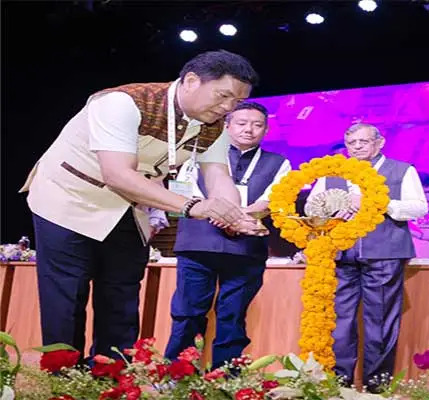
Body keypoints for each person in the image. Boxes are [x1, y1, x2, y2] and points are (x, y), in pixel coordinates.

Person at [20, 50, 262, 359]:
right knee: (67, 295)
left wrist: (234, 215)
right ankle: (61, 375)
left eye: (237, 101)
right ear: (191, 81)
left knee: (122, 296)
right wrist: (193, 206)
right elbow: (117, 174)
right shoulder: (123, 102)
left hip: (130, 206)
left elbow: (218, 177)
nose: (228, 107)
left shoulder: (213, 126)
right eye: (223, 95)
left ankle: (112, 375)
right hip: (69, 198)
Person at [165, 102, 291, 368]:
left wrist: (238, 217)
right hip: (199, 245)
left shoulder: (279, 163)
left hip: (246, 249)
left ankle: (226, 381)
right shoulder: (198, 154)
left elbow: (274, 199)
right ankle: (176, 377)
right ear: (227, 126)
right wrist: (219, 215)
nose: (249, 129)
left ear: (266, 130)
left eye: (257, 125)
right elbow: (186, 193)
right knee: (188, 314)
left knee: (232, 317)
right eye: (242, 123)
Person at [309, 123, 428, 391]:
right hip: (341, 254)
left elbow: (419, 207)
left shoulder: (401, 170)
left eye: (363, 141)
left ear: (379, 142)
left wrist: (377, 203)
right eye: (351, 143)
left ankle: (377, 387)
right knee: (340, 321)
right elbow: (311, 207)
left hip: (385, 253)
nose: (357, 147)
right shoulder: (333, 172)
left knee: (381, 320)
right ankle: (340, 385)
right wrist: (332, 206)